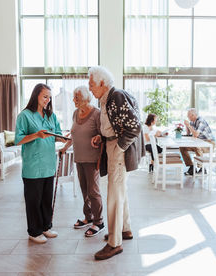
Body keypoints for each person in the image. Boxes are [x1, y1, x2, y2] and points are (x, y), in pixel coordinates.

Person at [89, 66, 145, 260]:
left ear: (102, 83)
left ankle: (114, 243)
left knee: (114, 195)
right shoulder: (108, 99)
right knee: (120, 192)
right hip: (113, 145)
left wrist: (118, 147)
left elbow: (134, 126)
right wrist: (102, 137)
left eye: (91, 84)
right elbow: (113, 126)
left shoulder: (116, 97)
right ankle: (124, 229)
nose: (90, 88)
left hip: (118, 150)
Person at [15, 83, 67, 244]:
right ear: (36, 95)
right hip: (33, 167)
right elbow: (18, 140)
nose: (48, 100)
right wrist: (36, 135)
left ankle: (46, 227)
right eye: (45, 96)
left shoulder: (51, 116)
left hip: (48, 165)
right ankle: (34, 231)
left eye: (49, 97)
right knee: (33, 201)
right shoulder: (24, 116)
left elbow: (57, 135)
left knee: (46, 199)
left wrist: (66, 136)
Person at [60, 85, 104, 237]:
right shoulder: (75, 113)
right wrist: (65, 148)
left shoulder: (96, 114)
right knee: (84, 190)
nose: (74, 100)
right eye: (74, 98)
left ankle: (99, 222)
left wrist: (98, 141)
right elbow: (74, 134)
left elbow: (102, 136)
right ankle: (88, 217)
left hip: (92, 160)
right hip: (79, 158)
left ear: (85, 99)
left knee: (93, 191)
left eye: (76, 98)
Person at [180, 108, 215, 175]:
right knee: (182, 147)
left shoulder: (201, 121)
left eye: (188, 116)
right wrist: (187, 126)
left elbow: (195, 134)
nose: (187, 117)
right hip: (200, 142)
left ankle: (202, 168)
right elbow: (189, 133)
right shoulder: (192, 122)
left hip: (209, 144)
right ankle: (191, 167)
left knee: (197, 147)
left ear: (193, 115)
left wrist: (189, 125)